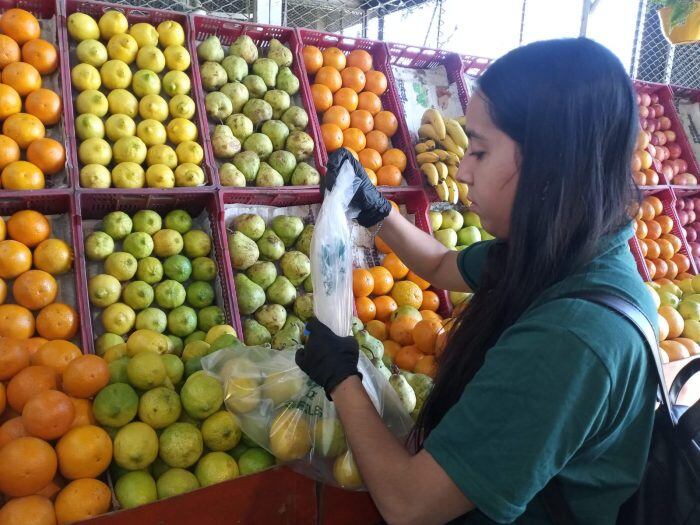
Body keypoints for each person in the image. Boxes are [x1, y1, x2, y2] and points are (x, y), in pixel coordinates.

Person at [295, 38, 658, 525]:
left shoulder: (570, 341)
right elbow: (444, 264)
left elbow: (410, 504)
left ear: (551, 167)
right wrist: (376, 210)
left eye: (481, 152)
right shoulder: (565, 252)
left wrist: (341, 376)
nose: (462, 170)